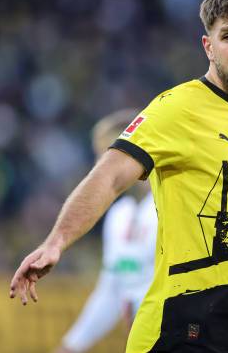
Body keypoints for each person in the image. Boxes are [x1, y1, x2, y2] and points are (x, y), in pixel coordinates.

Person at [10, 0, 228, 353]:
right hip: (176, 334)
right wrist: (56, 241)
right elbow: (109, 175)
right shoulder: (178, 108)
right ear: (209, 47)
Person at [56, 109, 158, 353]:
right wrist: (71, 346)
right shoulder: (119, 215)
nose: (97, 169)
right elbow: (112, 289)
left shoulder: (171, 207)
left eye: (105, 158)